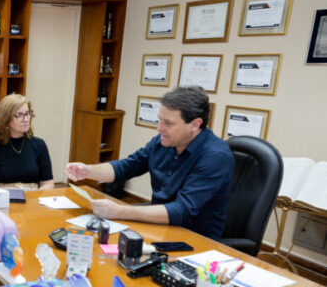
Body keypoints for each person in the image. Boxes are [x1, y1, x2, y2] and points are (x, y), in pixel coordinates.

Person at [65, 86, 234, 239]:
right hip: (159, 227)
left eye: (168, 123)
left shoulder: (215, 156)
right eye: (160, 120)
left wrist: (120, 211)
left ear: (195, 125)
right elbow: (127, 167)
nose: (159, 128)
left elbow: (181, 211)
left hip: (194, 240)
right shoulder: (163, 142)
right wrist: (87, 170)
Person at [0, 93, 54, 189]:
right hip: (3, 200)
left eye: (27, 113)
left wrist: (35, 198)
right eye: (19, 115)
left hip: (31, 198)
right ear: (6, 119)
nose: (26, 119)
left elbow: (48, 183)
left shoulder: (39, 145)